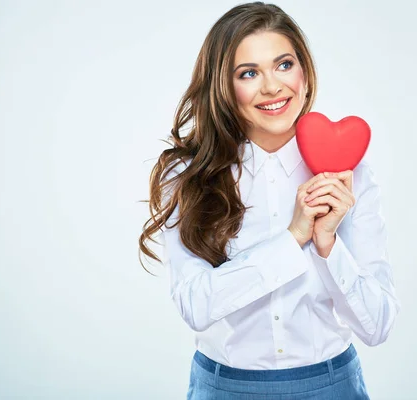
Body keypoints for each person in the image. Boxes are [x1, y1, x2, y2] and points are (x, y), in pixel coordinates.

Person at [138, 2, 401, 398]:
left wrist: (328, 247)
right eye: (248, 73)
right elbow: (196, 306)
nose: (272, 87)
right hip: (224, 387)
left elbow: (377, 326)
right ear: (225, 87)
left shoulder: (351, 173)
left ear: (304, 72)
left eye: (283, 65)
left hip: (331, 386)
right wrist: (293, 237)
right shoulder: (188, 176)